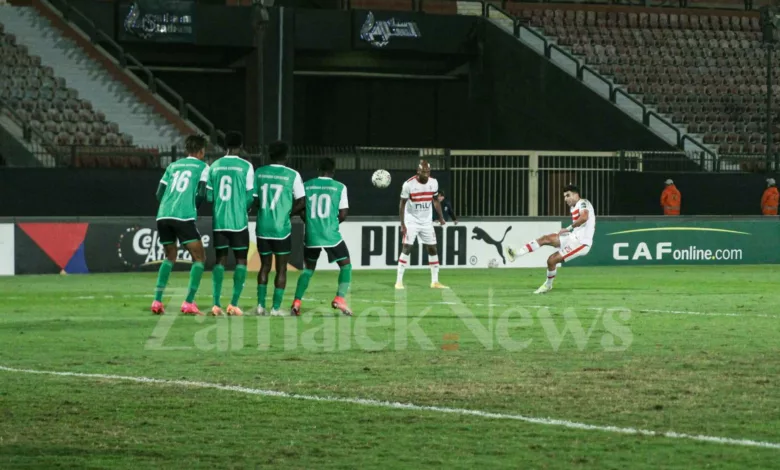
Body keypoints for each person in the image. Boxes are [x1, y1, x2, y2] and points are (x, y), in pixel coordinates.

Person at [150, 135, 210, 315]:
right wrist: (192, 207)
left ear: (186, 150)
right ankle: (188, 303)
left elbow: (159, 193)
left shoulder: (172, 166)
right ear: (201, 151)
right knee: (199, 258)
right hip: (183, 216)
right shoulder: (203, 167)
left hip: (163, 215)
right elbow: (201, 193)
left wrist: (168, 206)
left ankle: (157, 301)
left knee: (169, 257)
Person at [504, 184, 595, 294]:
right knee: (545, 239)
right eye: (564, 196)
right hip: (573, 237)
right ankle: (516, 254)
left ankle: (548, 285)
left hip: (581, 243)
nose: (565, 199)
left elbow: (584, 217)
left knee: (551, 260)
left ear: (576, 195)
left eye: (568, 195)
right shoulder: (573, 207)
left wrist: (568, 228)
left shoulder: (583, 203)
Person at [290, 157, 353, 316]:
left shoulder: (307, 185)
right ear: (333, 171)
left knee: (308, 269)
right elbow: (343, 214)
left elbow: (301, 207)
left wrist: (309, 221)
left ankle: (296, 302)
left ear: (318, 169)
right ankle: (340, 298)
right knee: (346, 265)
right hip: (331, 234)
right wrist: (332, 224)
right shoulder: (340, 187)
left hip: (312, 234)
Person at [253, 141, 306, 316]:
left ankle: (260, 306)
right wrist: (287, 212)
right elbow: (302, 201)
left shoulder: (259, 172)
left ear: (269, 155)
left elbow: (254, 198)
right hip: (281, 228)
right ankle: (275, 308)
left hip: (262, 226)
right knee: (281, 268)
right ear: (286, 156)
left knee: (264, 266)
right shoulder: (292, 174)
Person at [206, 131, 255, 316]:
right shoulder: (246, 166)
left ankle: (216, 304)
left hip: (219, 221)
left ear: (225, 145)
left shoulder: (214, 166)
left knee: (220, 260)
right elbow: (251, 196)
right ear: (240, 146)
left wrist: (221, 203)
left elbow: (210, 196)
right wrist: (243, 207)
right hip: (239, 223)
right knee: (241, 260)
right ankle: (233, 304)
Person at [396, 160, 448, 290]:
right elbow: (402, 204)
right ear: (418, 171)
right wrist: (402, 224)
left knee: (432, 249)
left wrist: (441, 217)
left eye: (428, 172)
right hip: (411, 220)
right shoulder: (408, 185)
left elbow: (435, 201)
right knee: (407, 248)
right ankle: (398, 282)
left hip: (426, 222)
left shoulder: (433, 183)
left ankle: (435, 281)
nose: (426, 174)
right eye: (424, 172)